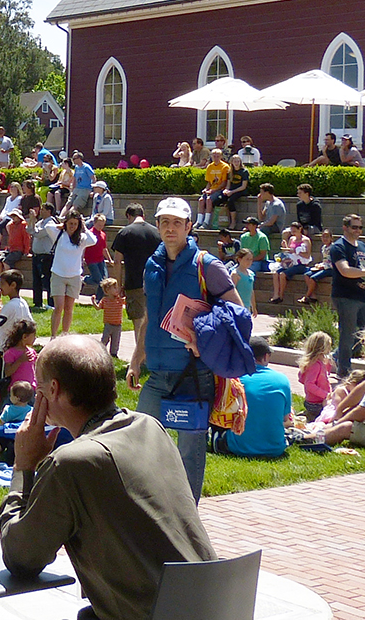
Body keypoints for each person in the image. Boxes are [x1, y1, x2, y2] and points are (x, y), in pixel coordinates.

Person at [0, 336, 214, 620]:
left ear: (53, 390)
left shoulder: (71, 463)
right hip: (211, 605)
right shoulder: (150, 427)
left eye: (39, 388)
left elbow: (21, 557)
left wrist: (23, 466)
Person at [136, 196, 241, 501]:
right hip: (156, 375)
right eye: (165, 222)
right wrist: (135, 357)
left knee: (189, 455)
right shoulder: (152, 264)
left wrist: (203, 338)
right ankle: (153, 510)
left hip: (193, 375)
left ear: (189, 227)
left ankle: (187, 519)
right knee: (142, 443)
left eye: (177, 223)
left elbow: (237, 311)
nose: (171, 229)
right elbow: (149, 316)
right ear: (157, 226)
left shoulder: (206, 264)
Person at [208, 337, 291, 459]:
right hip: (275, 448)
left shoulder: (233, 379)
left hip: (238, 447)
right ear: (266, 356)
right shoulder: (282, 380)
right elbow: (286, 419)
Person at [112, 204, 160, 391]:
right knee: (153, 318)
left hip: (134, 282)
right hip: (155, 281)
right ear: (143, 214)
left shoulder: (125, 233)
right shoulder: (156, 232)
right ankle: (150, 356)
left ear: (128, 215)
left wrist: (117, 283)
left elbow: (117, 261)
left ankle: (141, 357)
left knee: (139, 321)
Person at [329, 213, 365, 377]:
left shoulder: (363, 247)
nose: (358, 230)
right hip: (345, 295)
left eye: (360, 227)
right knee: (348, 334)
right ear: (345, 227)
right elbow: (345, 270)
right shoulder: (338, 247)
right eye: (354, 227)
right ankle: (343, 371)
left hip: (364, 295)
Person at [46, 209, 97, 338]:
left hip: (74, 276)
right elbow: (47, 226)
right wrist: (61, 225)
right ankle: (53, 336)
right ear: (66, 223)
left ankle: (65, 334)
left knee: (69, 308)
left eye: (75, 224)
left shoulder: (82, 238)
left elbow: (94, 240)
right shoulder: (59, 234)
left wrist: (84, 227)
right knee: (58, 307)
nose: (73, 226)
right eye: (70, 223)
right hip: (58, 274)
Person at [270, 221, 313, 303]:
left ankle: (281, 296)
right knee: (275, 273)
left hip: (301, 264)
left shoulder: (306, 240)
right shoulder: (291, 239)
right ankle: (276, 294)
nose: (292, 232)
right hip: (291, 262)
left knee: (282, 274)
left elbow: (307, 255)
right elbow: (289, 252)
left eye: (294, 230)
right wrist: (285, 246)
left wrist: (296, 251)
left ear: (300, 229)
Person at [297, 331, 334, 421]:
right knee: (332, 411)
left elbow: (302, 377)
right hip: (316, 403)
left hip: (315, 400)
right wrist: (325, 394)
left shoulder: (316, 362)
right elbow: (309, 384)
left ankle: (310, 416)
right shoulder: (315, 365)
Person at [0, 269, 31, 349]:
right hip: (19, 347)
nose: (0, 287)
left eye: (2, 284)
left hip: (5, 348)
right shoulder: (23, 303)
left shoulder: (10, 306)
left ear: (13, 285)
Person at [195, 148, 228, 229]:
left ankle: (206, 222)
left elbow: (224, 183)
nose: (215, 157)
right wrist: (206, 190)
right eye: (214, 156)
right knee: (201, 200)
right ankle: (199, 221)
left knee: (209, 200)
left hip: (220, 191)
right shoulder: (210, 166)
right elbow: (209, 183)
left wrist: (212, 191)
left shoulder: (225, 167)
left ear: (221, 156)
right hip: (211, 190)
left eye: (217, 156)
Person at [95, 277, 125, 357]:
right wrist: (93, 302)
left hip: (118, 325)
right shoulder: (105, 300)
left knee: (116, 340)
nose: (116, 289)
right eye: (114, 288)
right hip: (108, 324)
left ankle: (114, 353)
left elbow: (126, 301)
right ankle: (101, 351)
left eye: (117, 287)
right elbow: (98, 307)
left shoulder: (119, 299)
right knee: (105, 339)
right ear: (107, 290)